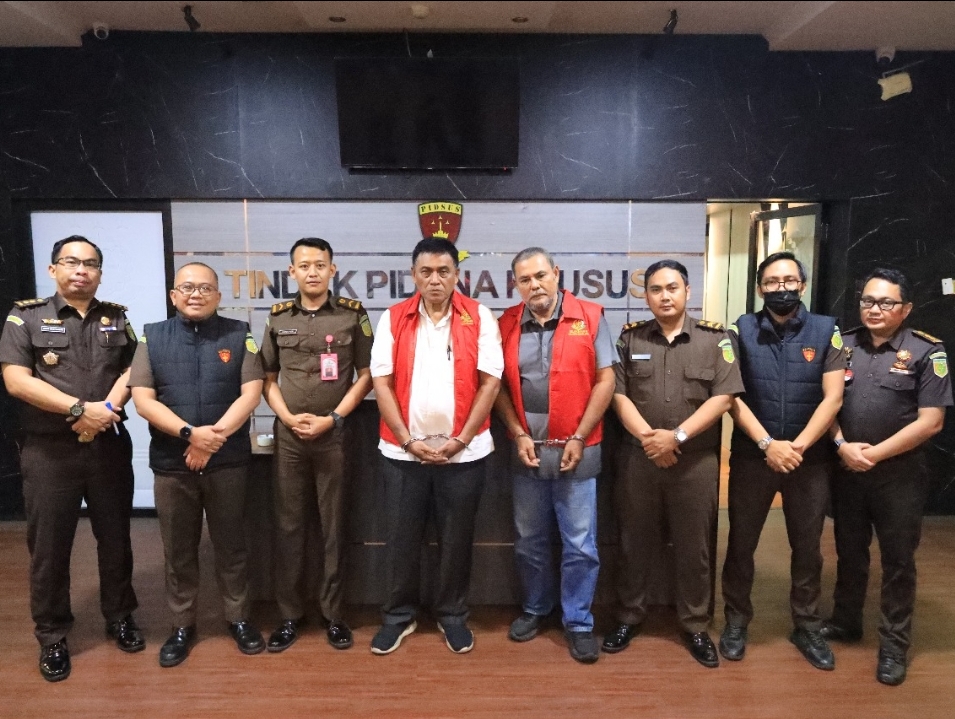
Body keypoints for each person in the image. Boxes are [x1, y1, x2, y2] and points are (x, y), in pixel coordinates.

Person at [0, 235, 143, 682]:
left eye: (91, 264)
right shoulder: (25, 317)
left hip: (108, 445)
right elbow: (17, 381)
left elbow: (133, 370)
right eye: (71, 262)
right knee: (49, 547)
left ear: (100, 272)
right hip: (49, 450)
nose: (81, 270)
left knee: (116, 539)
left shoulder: (116, 317)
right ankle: (53, 634)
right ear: (53, 269)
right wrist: (81, 410)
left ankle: (120, 616)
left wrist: (105, 411)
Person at [604, 260, 744, 667]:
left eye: (672, 288)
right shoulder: (630, 338)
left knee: (693, 547)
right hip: (639, 459)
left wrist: (676, 437)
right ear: (645, 295)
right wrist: (651, 441)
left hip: (695, 462)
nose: (664, 296)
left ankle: (695, 624)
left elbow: (724, 398)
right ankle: (629, 616)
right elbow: (618, 395)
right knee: (633, 542)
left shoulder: (716, 339)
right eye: (655, 289)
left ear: (687, 291)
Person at [369, 237, 502, 655]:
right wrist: (408, 441)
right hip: (401, 453)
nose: (435, 280)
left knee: (456, 540)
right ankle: (398, 616)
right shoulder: (393, 318)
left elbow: (490, 383)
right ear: (413, 275)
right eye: (426, 272)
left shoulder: (480, 316)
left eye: (444, 271)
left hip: (465, 454)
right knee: (401, 539)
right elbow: (381, 383)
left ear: (456, 274)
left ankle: (452, 615)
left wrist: (460, 439)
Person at [129, 262, 265, 667]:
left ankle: (238, 619)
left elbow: (251, 393)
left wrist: (210, 441)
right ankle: (182, 626)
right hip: (173, 464)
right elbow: (143, 400)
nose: (195, 294)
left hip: (228, 462)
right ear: (174, 295)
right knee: (179, 551)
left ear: (218, 296)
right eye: (187, 287)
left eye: (205, 288)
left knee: (232, 546)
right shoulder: (152, 336)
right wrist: (191, 435)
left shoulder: (239, 333)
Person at [719, 251, 846, 671]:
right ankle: (736, 621)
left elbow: (833, 398)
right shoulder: (741, 329)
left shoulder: (826, 330)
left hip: (809, 461)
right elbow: (731, 396)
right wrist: (768, 444)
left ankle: (806, 625)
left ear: (802, 285)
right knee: (741, 543)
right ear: (760, 288)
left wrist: (797, 448)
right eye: (772, 282)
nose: (782, 288)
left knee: (807, 547)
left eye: (790, 280)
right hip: (753, 457)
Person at [824, 268, 951, 686]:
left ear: (906, 308)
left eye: (885, 302)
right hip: (847, 469)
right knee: (849, 552)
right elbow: (826, 404)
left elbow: (931, 421)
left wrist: (873, 455)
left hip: (899, 477)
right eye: (867, 301)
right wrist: (842, 446)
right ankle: (845, 620)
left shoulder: (926, 351)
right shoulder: (842, 346)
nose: (874, 309)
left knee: (897, 561)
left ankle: (894, 645)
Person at [495, 247, 616, 664]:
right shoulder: (506, 323)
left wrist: (580, 435)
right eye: (525, 280)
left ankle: (578, 622)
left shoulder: (591, 316)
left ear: (557, 273)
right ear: (516, 285)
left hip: (579, 449)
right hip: (527, 450)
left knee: (580, 544)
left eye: (541, 276)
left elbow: (606, 380)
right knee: (529, 540)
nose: (535, 285)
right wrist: (517, 433)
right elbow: (497, 387)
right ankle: (535, 607)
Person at [260, 237, 373, 652]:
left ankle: (333, 614)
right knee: (289, 525)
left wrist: (334, 418)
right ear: (292, 272)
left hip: (335, 434)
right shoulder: (277, 317)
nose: (312, 272)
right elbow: (267, 378)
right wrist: (287, 418)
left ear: (332, 269)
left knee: (334, 526)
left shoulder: (352, 315)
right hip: (289, 436)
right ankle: (289, 615)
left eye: (320, 265)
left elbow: (366, 375)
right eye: (304, 265)